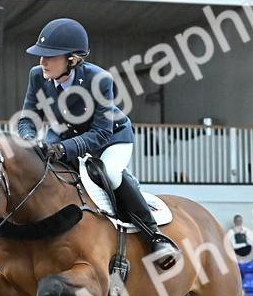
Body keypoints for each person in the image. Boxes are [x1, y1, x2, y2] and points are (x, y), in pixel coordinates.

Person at [17, 17, 180, 270]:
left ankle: (154, 236)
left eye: (50, 56)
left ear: (72, 60)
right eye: (41, 56)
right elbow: (28, 117)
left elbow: (100, 134)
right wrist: (29, 139)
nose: (42, 62)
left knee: (110, 173)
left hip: (110, 138)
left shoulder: (99, 79)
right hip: (64, 135)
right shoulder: (38, 75)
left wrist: (62, 149)